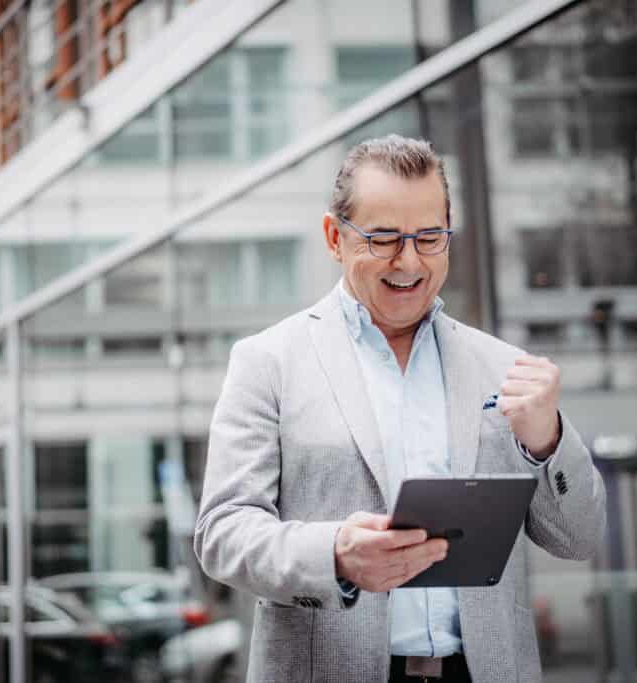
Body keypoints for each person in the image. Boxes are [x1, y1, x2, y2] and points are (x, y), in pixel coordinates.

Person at [194, 134, 607, 682]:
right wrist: (334, 554)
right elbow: (223, 533)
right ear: (334, 238)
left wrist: (547, 441)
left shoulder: (504, 368)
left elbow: (579, 537)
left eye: (429, 237)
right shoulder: (267, 362)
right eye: (384, 238)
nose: (408, 261)